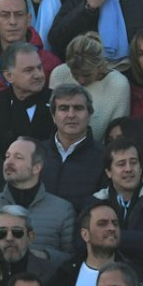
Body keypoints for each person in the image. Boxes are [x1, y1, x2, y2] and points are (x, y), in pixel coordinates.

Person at [0, 138, 76, 259]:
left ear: (36, 167)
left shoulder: (62, 210)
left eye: (18, 157)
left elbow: (71, 259)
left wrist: (44, 256)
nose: (9, 162)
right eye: (7, 156)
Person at [89, 136, 143, 271]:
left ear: (141, 167)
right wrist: (140, 240)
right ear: (108, 172)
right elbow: (83, 241)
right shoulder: (94, 203)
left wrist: (111, 237)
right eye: (121, 164)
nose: (128, 169)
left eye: (133, 162)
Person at [0, 42, 57, 155]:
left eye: (39, 68)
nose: (38, 75)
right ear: (9, 76)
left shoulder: (59, 102)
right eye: (29, 70)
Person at [38, 83, 106, 211]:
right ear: (53, 116)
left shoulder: (104, 157)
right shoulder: (36, 152)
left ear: (89, 115)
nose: (71, 115)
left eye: (78, 108)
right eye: (63, 108)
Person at [0, 206, 62, 284]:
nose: (9, 238)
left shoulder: (49, 271)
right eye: (1, 232)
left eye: (17, 232)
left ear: (30, 237)